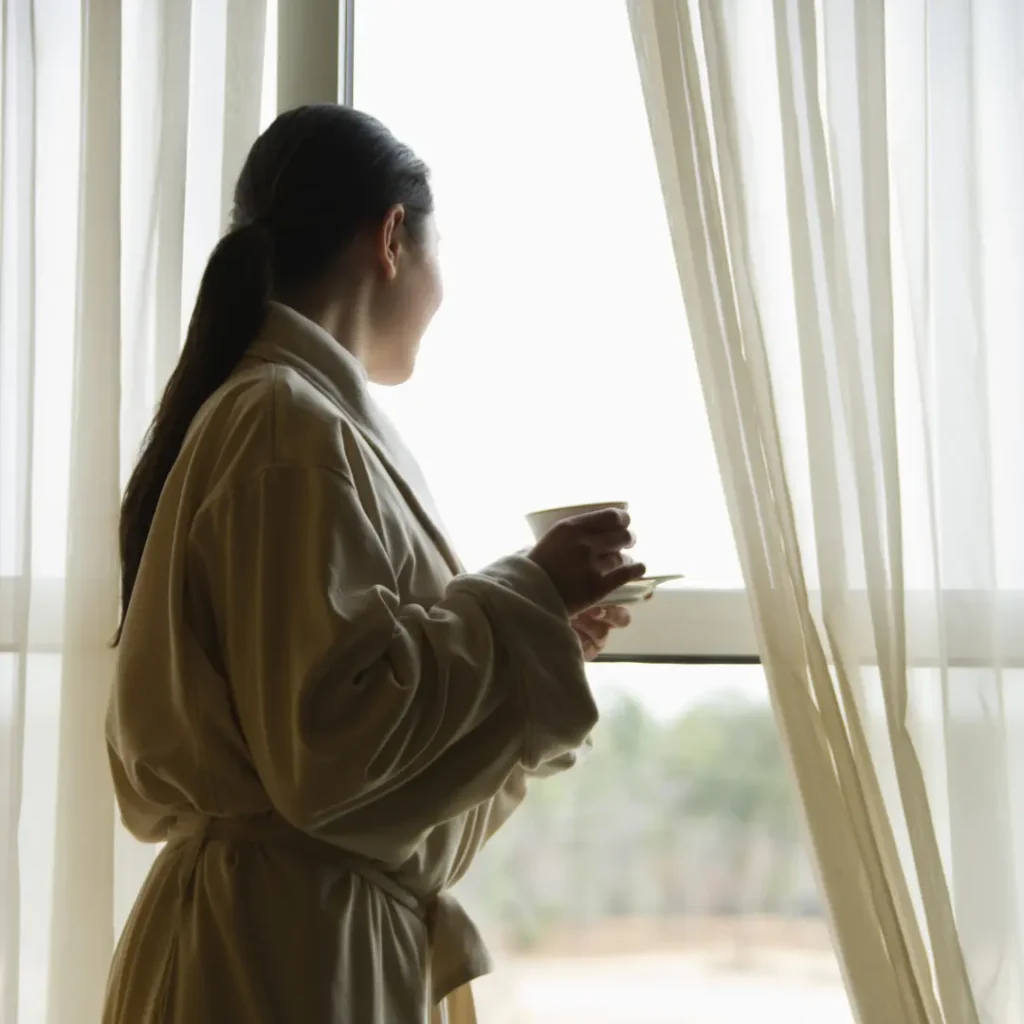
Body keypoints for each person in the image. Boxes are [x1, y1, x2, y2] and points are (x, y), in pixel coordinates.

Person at [102, 104, 645, 1024]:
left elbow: (376, 778)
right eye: (441, 256)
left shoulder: (298, 421)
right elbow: (328, 750)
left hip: (294, 943)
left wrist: (537, 646)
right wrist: (528, 596)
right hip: (280, 962)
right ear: (392, 235)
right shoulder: (288, 426)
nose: (443, 292)